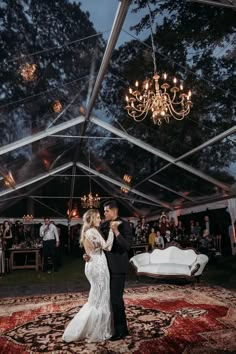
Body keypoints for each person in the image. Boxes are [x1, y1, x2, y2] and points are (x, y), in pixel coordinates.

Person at [62, 209, 114, 343]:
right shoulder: (91, 232)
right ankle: (95, 330)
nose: (100, 219)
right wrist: (113, 231)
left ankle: (96, 326)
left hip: (93, 263)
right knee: (99, 297)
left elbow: (90, 250)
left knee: (97, 296)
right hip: (97, 265)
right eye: (97, 218)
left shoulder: (90, 231)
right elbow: (107, 247)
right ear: (91, 219)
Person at [99, 199, 133, 341]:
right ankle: (111, 327)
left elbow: (127, 246)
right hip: (104, 267)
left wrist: (116, 231)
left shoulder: (124, 225)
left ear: (114, 211)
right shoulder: (103, 225)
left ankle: (121, 331)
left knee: (116, 299)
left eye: (107, 211)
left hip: (118, 267)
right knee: (108, 299)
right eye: (104, 211)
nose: (104, 213)